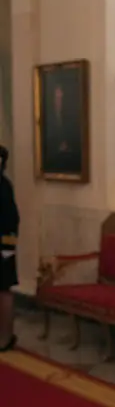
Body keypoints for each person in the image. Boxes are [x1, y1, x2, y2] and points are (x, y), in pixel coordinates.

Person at [0, 145, 18, 350]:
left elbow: (12, 220)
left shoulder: (4, 186)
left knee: (4, 291)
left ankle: (5, 337)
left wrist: (8, 248)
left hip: (3, 247)